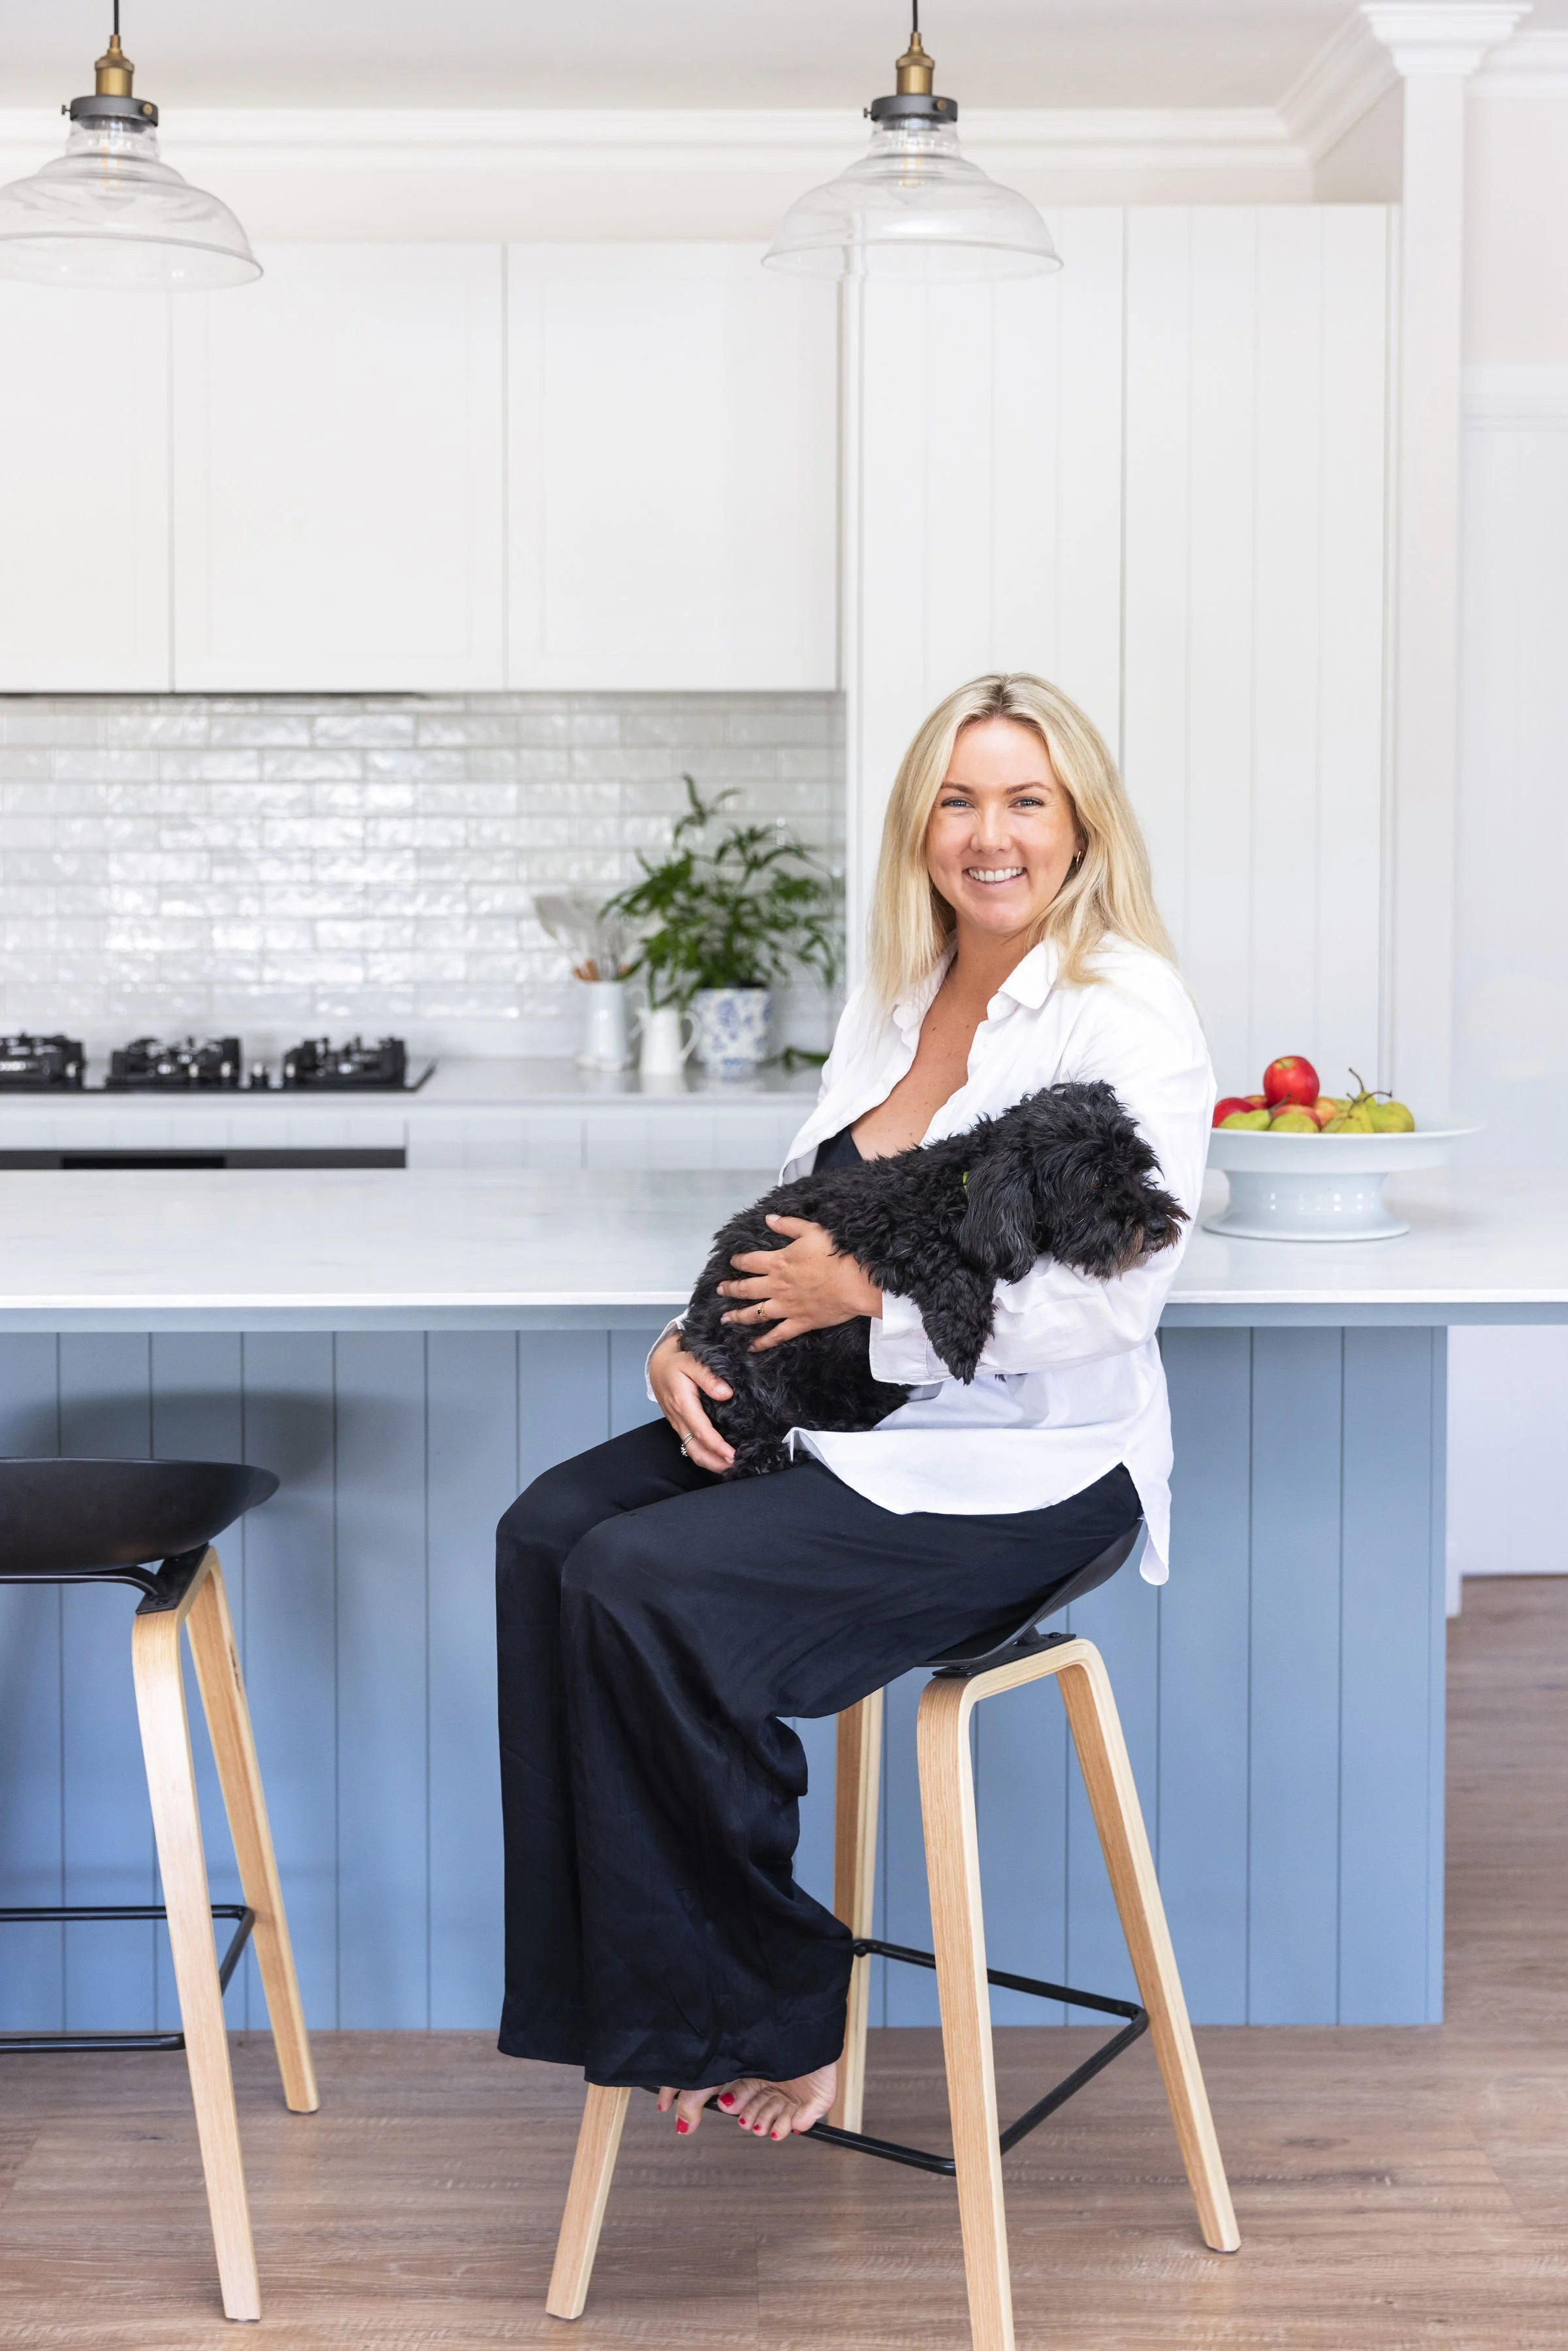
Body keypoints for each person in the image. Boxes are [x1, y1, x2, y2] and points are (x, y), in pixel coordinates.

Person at [494, 671, 1213, 2149]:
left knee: (643, 1581)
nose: (989, 833)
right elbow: (807, 1213)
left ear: (1080, 823)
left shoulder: (1126, 1009)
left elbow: (1110, 1302)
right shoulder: (899, 993)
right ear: (920, 825)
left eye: (1025, 799)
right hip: (847, 1429)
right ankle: (636, 2005)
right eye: (958, 798)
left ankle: (764, 2006)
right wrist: (697, 1339)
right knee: (547, 1533)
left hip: (1029, 1470)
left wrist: (865, 1311)